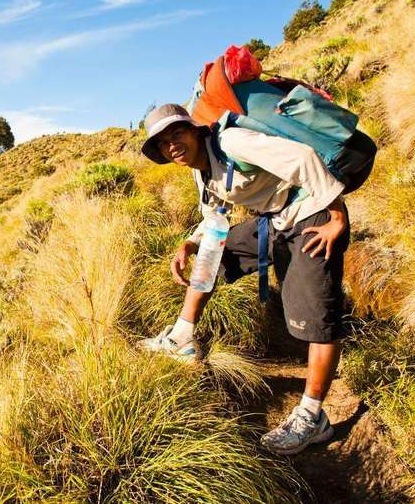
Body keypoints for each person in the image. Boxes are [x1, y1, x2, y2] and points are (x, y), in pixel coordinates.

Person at [137, 103, 367, 455]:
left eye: (178, 133)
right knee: (214, 251)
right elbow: (214, 218)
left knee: (317, 316)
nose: (173, 145)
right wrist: (191, 243)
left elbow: (304, 158)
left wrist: (337, 217)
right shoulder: (203, 170)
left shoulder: (233, 143)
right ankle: (182, 337)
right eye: (164, 143)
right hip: (274, 221)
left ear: (195, 131)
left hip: (312, 215)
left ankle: (312, 416)